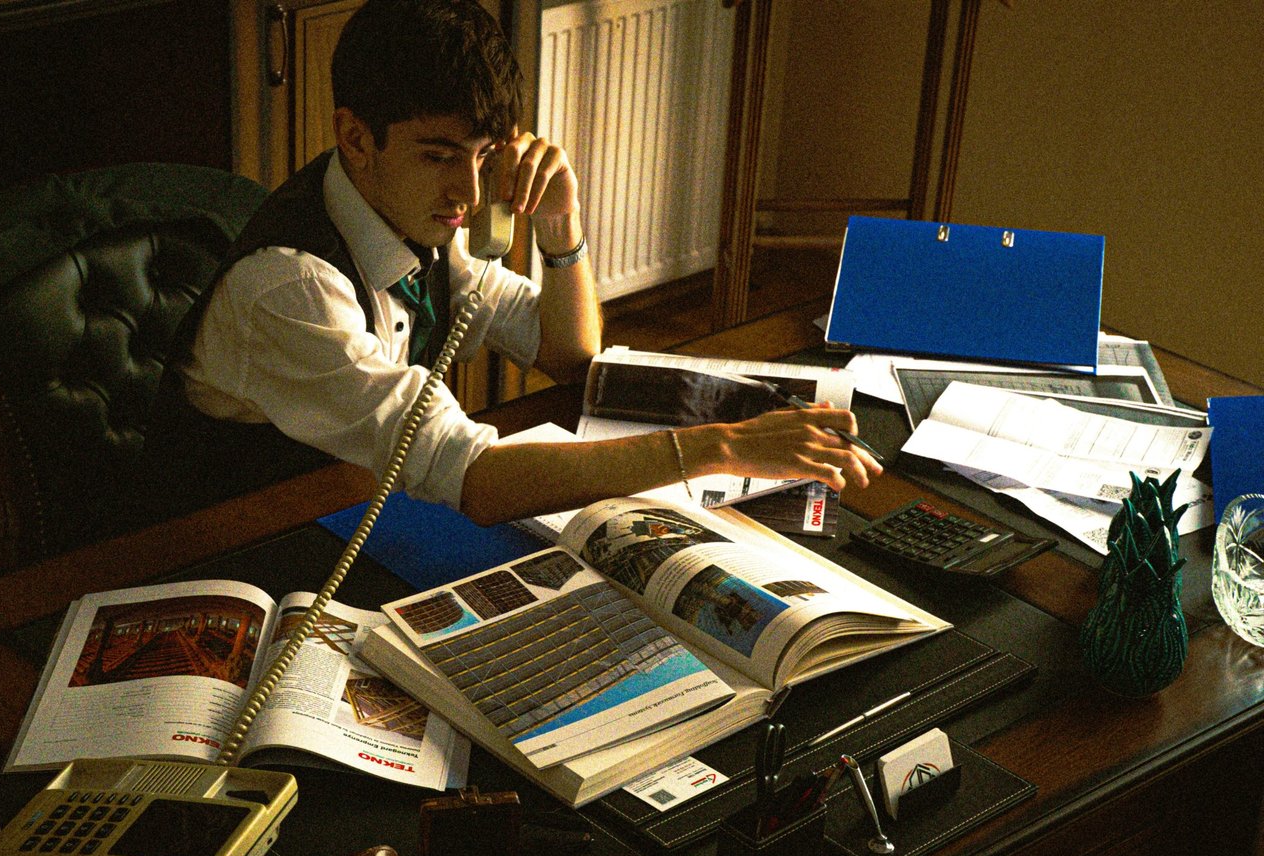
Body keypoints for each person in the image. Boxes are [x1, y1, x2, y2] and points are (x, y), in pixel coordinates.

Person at [134, 0, 878, 528]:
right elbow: (479, 479)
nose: (468, 190)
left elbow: (569, 353)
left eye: (485, 155)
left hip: (349, 504)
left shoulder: (419, 221)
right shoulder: (291, 290)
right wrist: (722, 445)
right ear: (355, 138)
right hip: (227, 549)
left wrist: (562, 231)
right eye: (439, 155)